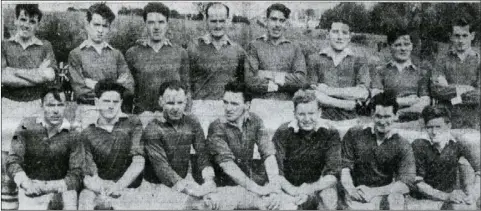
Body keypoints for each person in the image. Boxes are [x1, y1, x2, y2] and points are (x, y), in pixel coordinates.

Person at [205, 81, 297, 210]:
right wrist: (259, 190)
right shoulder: (216, 126)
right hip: (223, 189)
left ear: (247, 105)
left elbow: (268, 154)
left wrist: (274, 188)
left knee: (285, 204)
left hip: (248, 186)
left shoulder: (255, 120)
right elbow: (228, 166)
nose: (228, 108)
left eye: (234, 104)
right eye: (225, 102)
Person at [140, 80, 215, 210]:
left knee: (209, 204)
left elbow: (202, 153)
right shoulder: (152, 128)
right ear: (160, 102)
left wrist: (208, 182)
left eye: (180, 103)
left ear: (186, 102)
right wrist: (193, 191)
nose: (175, 108)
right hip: (157, 188)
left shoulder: (192, 121)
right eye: (170, 103)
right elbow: (163, 169)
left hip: (184, 182)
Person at [6, 87, 83, 210]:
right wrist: (26, 183)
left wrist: (49, 187)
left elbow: (77, 173)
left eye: (60, 105)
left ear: (66, 106)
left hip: (62, 189)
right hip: (31, 187)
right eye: (50, 105)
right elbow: (12, 161)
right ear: (41, 105)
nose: (56, 111)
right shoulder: (26, 126)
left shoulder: (74, 133)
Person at [340, 90, 416, 210]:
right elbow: (344, 168)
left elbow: (406, 183)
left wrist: (373, 192)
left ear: (396, 116)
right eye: (378, 116)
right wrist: (350, 190)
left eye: (387, 117)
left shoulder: (402, 144)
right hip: (355, 192)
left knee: (396, 199)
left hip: (383, 193)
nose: (382, 121)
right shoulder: (354, 134)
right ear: (371, 114)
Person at [78, 80, 144, 210]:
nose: (111, 106)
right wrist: (103, 188)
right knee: (86, 199)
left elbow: (138, 161)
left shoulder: (133, 123)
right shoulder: (87, 133)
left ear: (120, 103)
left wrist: (119, 186)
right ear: (97, 102)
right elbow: (88, 175)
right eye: (106, 101)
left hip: (127, 187)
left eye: (115, 102)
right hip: (99, 188)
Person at [68, 3, 135, 129]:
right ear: (87, 25)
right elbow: (81, 92)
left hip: (113, 113)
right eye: (96, 25)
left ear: (109, 28)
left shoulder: (116, 54)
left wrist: (94, 84)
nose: (100, 30)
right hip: (88, 113)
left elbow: (129, 88)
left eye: (105, 26)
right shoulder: (76, 54)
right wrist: (115, 85)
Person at [272, 87, 341, 210]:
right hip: (290, 187)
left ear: (319, 112)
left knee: (328, 199)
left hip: (319, 186)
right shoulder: (283, 132)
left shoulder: (330, 132)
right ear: (294, 113)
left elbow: (333, 174)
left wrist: (309, 189)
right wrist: (294, 191)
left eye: (311, 113)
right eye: (301, 114)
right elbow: (277, 172)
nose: (307, 119)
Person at [2, 4, 57, 152]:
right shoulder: (4, 45)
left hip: (36, 104)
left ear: (38, 25)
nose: (26, 25)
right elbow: (3, 77)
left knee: (33, 151)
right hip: (9, 104)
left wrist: (14, 71)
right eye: (23, 19)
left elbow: (49, 76)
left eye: (32, 22)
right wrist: (37, 73)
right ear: (15, 20)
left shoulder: (45, 46)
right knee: (7, 149)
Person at [125, 2, 190, 126]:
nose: (156, 27)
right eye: (151, 22)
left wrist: (185, 117)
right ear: (145, 24)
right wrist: (129, 119)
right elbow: (127, 92)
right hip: (143, 118)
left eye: (161, 22)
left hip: (173, 118)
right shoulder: (132, 53)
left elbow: (186, 88)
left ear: (167, 24)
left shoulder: (180, 53)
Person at [187, 2, 248, 134]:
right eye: (213, 21)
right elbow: (186, 81)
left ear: (228, 20)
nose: (218, 25)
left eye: (222, 21)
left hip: (228, 109)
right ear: (206, 20)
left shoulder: (238, 50)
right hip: (200, 108)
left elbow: (243, 84)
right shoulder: (193, 47)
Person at [406, 105, 480, 210]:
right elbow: (418, 183)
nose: (434, 132)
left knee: (467, 206)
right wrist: (446, 196)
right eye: (429, 127)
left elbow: (479, 170)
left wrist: (474, 193)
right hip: (422, 199)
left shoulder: (457, 144)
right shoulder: (419, 145)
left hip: (449, 199)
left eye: (438, 127)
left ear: (448, 126)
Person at [307, 18, 371, 121]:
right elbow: (312, 93)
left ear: (350, 37)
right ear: (328, 34)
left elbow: (362, 93)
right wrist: (346, 104)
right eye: (335, 32)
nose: (340, 37)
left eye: (344, 33)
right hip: (321, 119)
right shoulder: (315, 58)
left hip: (350, 119)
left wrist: (328, 90)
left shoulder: (359, 60)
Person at [245, 3, 307, 101]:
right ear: (266, 21)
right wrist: (283, 83)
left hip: (286, 105)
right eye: (273, 19)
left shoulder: (294, 48)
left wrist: (267, 75)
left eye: (281, 21)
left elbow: (301, 80)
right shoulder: (254, 45)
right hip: (260, 104)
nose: (277, 25)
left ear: (286, 24)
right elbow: (250, 80)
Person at [371, 27, 430, 129]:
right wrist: (409, 101)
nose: (403, 49)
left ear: (412, 46)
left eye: (407, 44)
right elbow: (377, 101)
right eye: (398, 45)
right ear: (390, 46)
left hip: (414, 124)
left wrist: (397, 109)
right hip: (386, 123)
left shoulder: (422, 72)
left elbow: (424, 104)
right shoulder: (380, 71)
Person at [430, 17, 480, 130]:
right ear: (451, 36)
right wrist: (467, 88)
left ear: (472, 36)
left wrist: (450, 94)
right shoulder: (441, 61)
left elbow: (478, 95)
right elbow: (436, 90)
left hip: (472, 121)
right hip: (446, 119)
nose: (461, 40)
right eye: (457, 36)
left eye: (465, 36)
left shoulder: (479, 61)